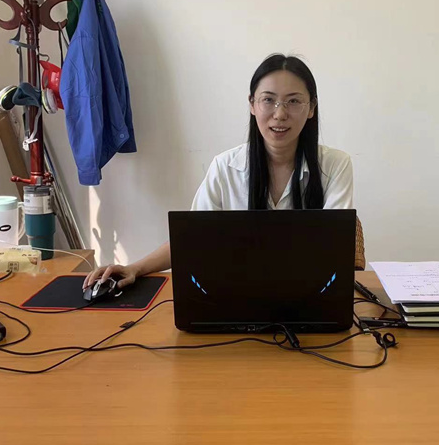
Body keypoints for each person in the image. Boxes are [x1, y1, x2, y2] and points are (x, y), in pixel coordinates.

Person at [84, 54, 353, 290]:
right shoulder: (225, 167)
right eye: (268, 100)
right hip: (237, 293)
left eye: (293, 101)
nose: (280, 114)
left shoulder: (334, 166)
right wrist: (135, 268)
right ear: (252, 105)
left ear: (311, 108)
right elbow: (193, 239)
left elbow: (334, 248)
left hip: (307, 294)